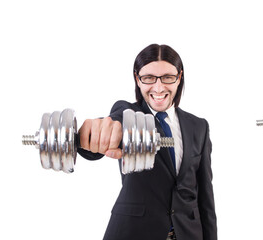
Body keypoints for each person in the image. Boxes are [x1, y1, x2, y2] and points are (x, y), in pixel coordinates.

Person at [77, 44, 217, 240]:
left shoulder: (199, 126)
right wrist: (92, 137)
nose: (158, 87)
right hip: (135, 231)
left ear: (179, 77)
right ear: (137, 79)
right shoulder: (128, 114)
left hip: (189, 233)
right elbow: (113, 125)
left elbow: (205, 197)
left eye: (168, 77)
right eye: (149, 78)